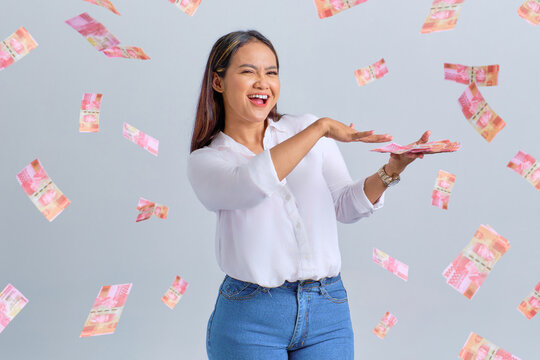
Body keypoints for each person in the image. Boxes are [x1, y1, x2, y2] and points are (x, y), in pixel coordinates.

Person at [187, 29, 430, 360]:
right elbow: (252, 184)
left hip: (327, 310)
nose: (263, 83)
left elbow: (344, 206)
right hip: (250, 316)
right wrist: (320, 129)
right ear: (218, 82)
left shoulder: (303, 127)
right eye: (248, 72)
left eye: (271, 72)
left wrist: (391, 171)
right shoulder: (207, 161)